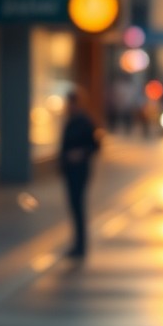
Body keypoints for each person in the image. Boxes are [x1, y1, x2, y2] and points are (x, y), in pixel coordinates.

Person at [59, 88, 102, 259]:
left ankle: (81, 245)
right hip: (69, 170)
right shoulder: (70, 121)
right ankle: (77, 244)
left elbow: (95, 146)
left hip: (80, 170)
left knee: (78, 206)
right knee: (74, 206)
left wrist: (81, 154)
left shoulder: (84, 121)